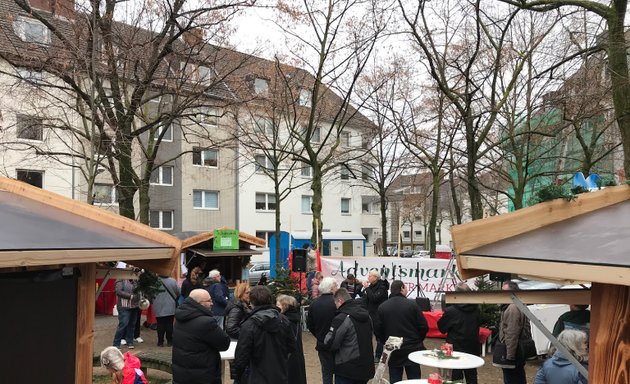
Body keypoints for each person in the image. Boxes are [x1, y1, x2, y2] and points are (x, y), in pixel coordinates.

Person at [232, 285, 295, 384]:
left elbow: (241, 356)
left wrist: (238, 375)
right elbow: (291, 346)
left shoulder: (249, 325)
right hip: (277, 374)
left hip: (258, 376)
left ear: (251, 302)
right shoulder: (284, 320)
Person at [172, 289, 231, 384]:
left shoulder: (180, 316)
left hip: (182, 372)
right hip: (202, 375)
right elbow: (224, 343)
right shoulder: (206, 322)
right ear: (199, 303)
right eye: (209, 301)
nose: (212, 303)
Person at [376, 280, 428, 383]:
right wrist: (417, 339)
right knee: (414, 380)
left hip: (393, 349)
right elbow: (424, 326)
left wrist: (386, 341)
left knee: (395, 380)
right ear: (402, 288)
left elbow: (378, 330)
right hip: (412, 348)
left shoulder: (382, 307)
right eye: (406, 287)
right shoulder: (412, 305)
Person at [323, 288, 375, 384]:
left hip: (346, 367)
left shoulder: (342, 318)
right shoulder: (367, 316)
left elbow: (330, 342)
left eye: (336, 304)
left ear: (340, 301)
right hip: (365, 366)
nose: (336, 307)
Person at [437, 282, 481, 384]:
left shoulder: (451, 311)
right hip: (472, 347)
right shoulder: (476, 309)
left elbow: (442, 328)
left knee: (456, 376)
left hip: (456, 348)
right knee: (471, 375)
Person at [495, 281, 532, 384]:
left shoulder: (512, 308)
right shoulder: (518, 304)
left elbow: (512, 333)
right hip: (517, 351)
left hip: (513, 352)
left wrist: (509, 356)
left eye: (505, 291)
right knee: (518, 377)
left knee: (512, 378)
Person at [307, 276, 338, 384]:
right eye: (336, 286)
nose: (337, 288)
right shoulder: (337, 303)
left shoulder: (314, 303)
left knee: (326, 371)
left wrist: (319, 335)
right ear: (332, 288)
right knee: (340, 372)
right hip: (338, 342)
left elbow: (310, 324)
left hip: (322, 342)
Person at [276, 294, 307, 384]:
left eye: (278, 305)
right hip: (296, 357)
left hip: (288, 358)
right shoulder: (294, 319)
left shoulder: (284, 321)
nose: (276, 307)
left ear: (285, 306)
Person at [361, 270, 389, 362]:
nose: (368, 277)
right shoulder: (370, 287)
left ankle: (378, 355)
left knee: (379, 337)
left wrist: (367, 288)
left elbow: (374, 298)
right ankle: (368, 355)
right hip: (369, 314)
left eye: (370, 276)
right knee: (367, 335)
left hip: (379, 316)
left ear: (376, 278)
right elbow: (366, 299)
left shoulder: (382, 288)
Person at [152, 274, 180, 347]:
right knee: (169, 324)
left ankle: (160, 342)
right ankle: (169, 341)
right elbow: (178, 292)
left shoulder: (154, 281)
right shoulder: (173, 281)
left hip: (157, 305)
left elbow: (149, 293)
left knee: (160, 324)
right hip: (170, 305)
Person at [112, 279, 139, 349]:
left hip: (135, 306)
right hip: (124, 307)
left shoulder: (135, 280)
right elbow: (118, 291)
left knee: (132, 325)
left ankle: (130, 342)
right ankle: (116, 344)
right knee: (123, 324)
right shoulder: (120, 279)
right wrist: (131, 296)